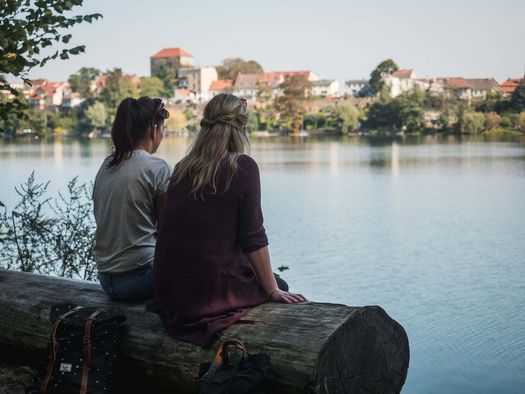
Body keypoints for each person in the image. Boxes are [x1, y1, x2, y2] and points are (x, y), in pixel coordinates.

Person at [153, 93, 306, 348]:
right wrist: (271, 291)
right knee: (279, 284)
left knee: (267, 280)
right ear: (241, 129)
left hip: (170, 292)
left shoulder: (182, 167)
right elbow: (253, 237)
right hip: (206, 293)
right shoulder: (242, 167)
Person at [93, 97, 171, 302]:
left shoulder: (108, 164)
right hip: (141, 280)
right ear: (154, 130)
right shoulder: (157, 167)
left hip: (106, 280)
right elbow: (167, 230)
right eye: (163, 129)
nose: (163, 134)